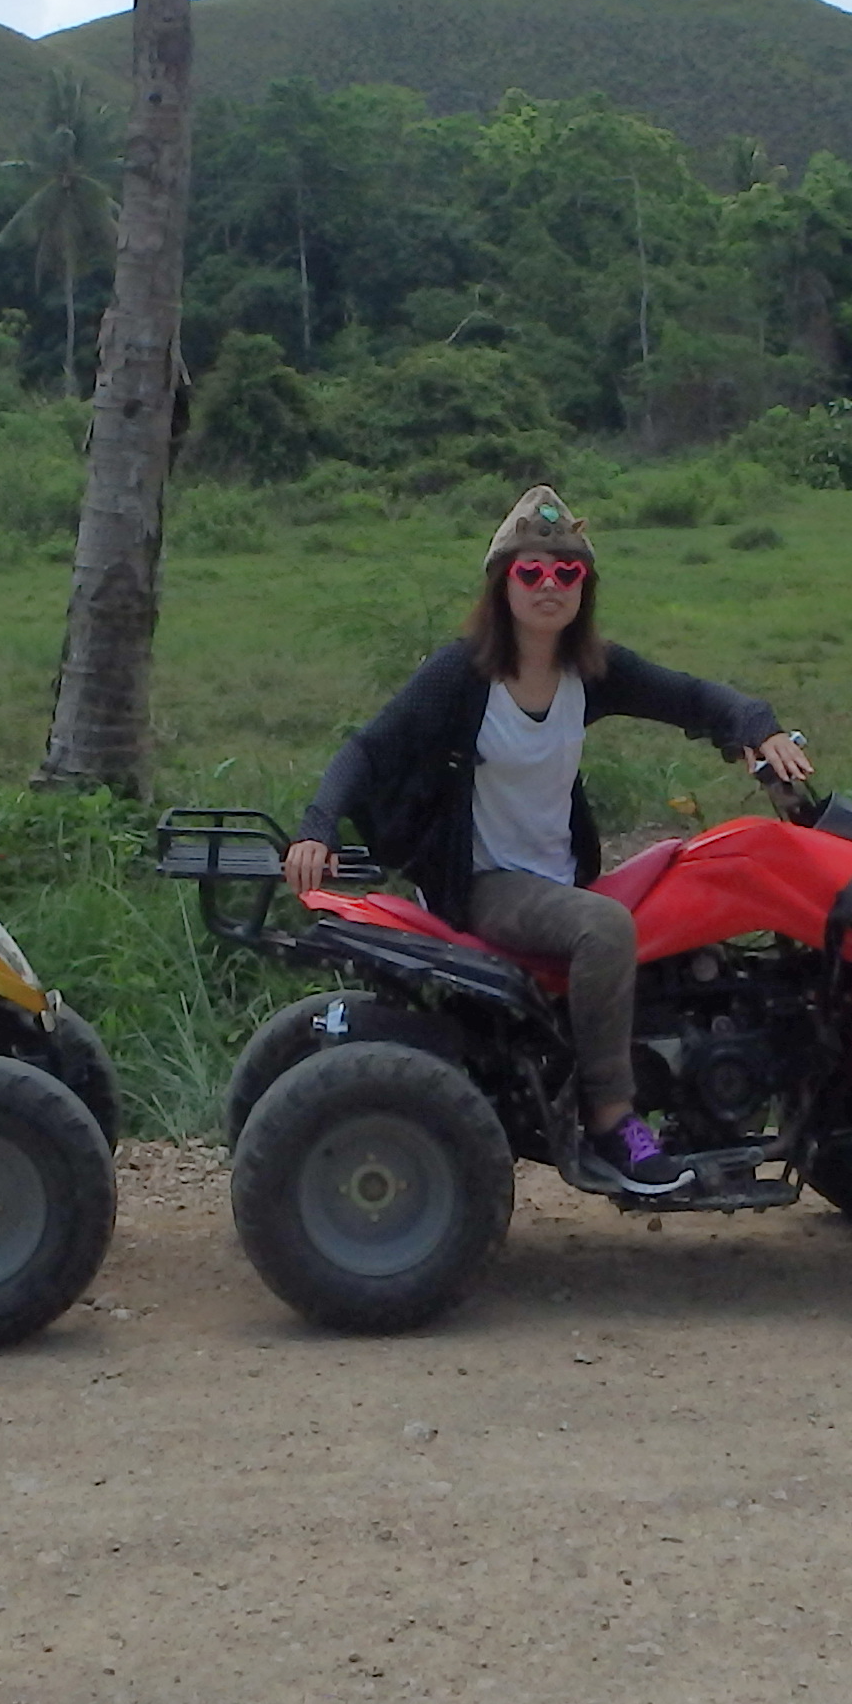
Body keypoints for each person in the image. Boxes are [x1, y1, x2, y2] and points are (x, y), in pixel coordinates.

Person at [284, 486, 813, 1199]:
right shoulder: (463, 675)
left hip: (558, 877)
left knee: (699, 901)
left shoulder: (588, 672)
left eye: (567, 573)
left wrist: (760, 727)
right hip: (484, 884)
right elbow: (369, 749)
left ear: (584, 588)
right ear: (502, 582)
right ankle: (614, 1117)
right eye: (530, 572)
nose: (549, 586)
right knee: (605, 930)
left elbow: (691, 696)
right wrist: (316, 826)